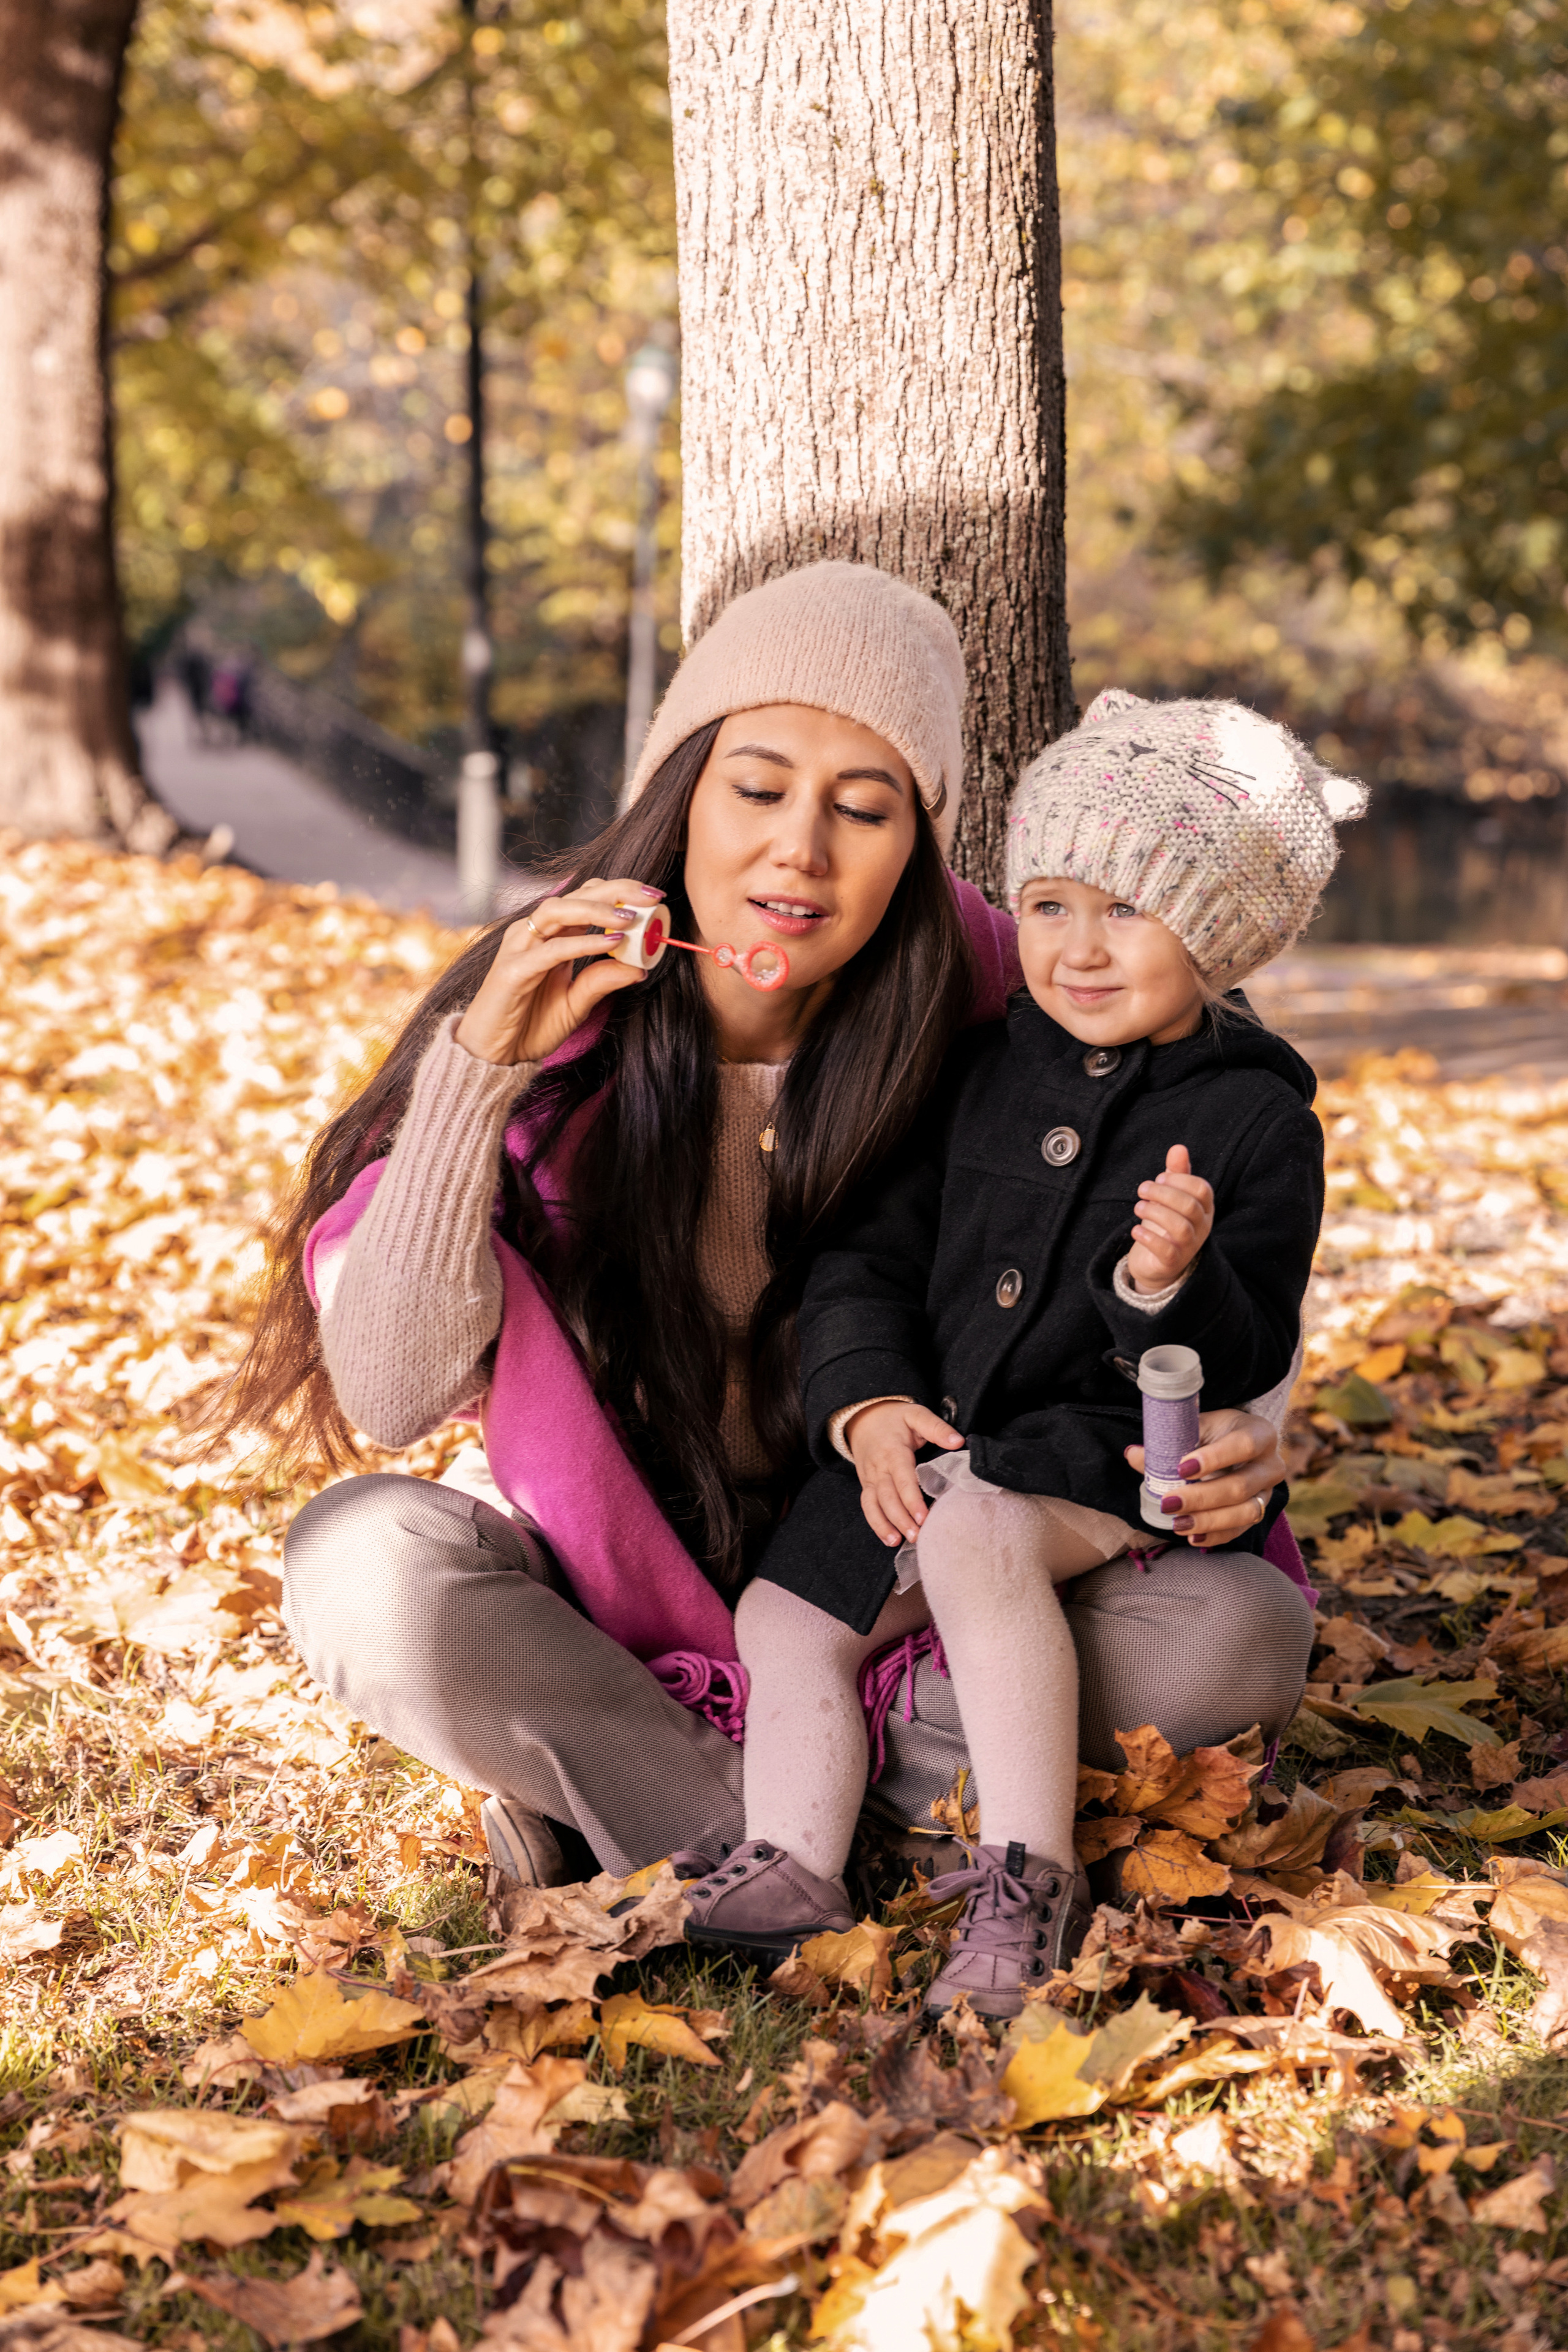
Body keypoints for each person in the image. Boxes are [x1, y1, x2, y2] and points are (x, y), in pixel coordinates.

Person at [232, 573, 1306, 1895]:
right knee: (361, 1568)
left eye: (863, 809)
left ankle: (680, 1813)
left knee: (1233, 1633)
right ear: (679, 794)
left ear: (917, 848)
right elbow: (391, 1394)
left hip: (908, 1594)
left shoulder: (1006, 995)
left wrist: (1245, 1426)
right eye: (756, 788)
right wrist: (479, 1070)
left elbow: (1218, 1168)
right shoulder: (549, 1006)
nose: (801, 849)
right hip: (616, 1613)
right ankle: (823, 1814)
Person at [685, 690, 1366, 2015]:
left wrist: (1165, 1285)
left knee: (980, 1542)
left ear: (1216, 934)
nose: (1077, 948)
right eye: (1048, 906)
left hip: (1094, 1454)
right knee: (785, 1614)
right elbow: (868, 1257)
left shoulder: (1255, 1120)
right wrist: (865, 1403)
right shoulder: (979, 1069)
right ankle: (794, 1865)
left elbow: (1247, 1349)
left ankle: (1025, 1879)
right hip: (941, 1436)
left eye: (1127, 910)